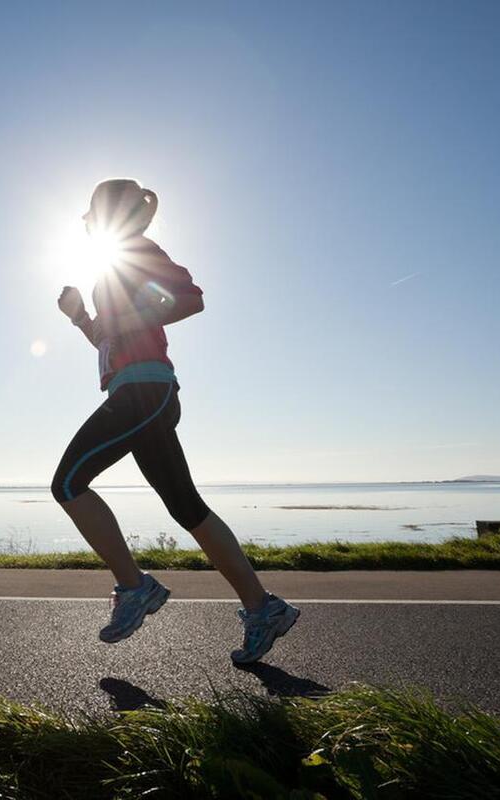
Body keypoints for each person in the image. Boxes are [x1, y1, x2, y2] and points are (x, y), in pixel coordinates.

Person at [52, 178, 299, 663]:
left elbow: (190, 297)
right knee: (187, 508)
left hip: (144, 392)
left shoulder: (136, 250)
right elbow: (111, 339)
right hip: (144, 392)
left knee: (67, 484)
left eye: (93, 212)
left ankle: (134, 586)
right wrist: (81, 316)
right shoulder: (113, 267)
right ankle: (262, 607)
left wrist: (125, 318)